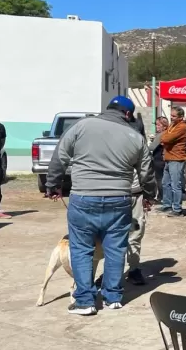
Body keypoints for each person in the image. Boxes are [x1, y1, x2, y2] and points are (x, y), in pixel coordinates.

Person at [46, 96, 156, 315]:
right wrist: (149, 195)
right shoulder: (135, 137)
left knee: (82, 249)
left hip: (83, 199)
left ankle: (85, 301)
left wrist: (53, 185)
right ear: (127, 114)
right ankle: (113, 297)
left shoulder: (81, 126)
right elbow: (147, 172)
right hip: (119, 200)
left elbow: (60, 157)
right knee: (116, 249)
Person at [125, 105, 151, 285]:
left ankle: (133, 268)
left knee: (135, 233)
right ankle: (113, 273)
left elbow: (146, 171)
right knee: (116, 235)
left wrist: (148, 195)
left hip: (135, 194)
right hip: (118, 194)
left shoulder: (139, 143)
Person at [159, 106, 186, 217]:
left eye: (174, 116)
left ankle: (177, 209)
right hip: (169, 157)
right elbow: (165, 136)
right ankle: (167, 205)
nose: (171, 118)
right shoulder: (173, 125)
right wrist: (164, 137)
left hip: (176, 158)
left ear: (181, 117)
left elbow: (166, 138)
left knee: (175, 185)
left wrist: (164, 139)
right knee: (165, 183)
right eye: (171, 115)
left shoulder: (181, 127)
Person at [150, 117, 168, 202]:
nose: (156, 127)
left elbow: (152, 147)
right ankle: (163, 197)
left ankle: (162, 197)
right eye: (156, 125)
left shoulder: (161, 134)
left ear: (164, 126)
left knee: (159, 179)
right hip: (163, 158)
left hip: (159, 158)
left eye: (158, 125)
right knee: (163, 179)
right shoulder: (167, 133)